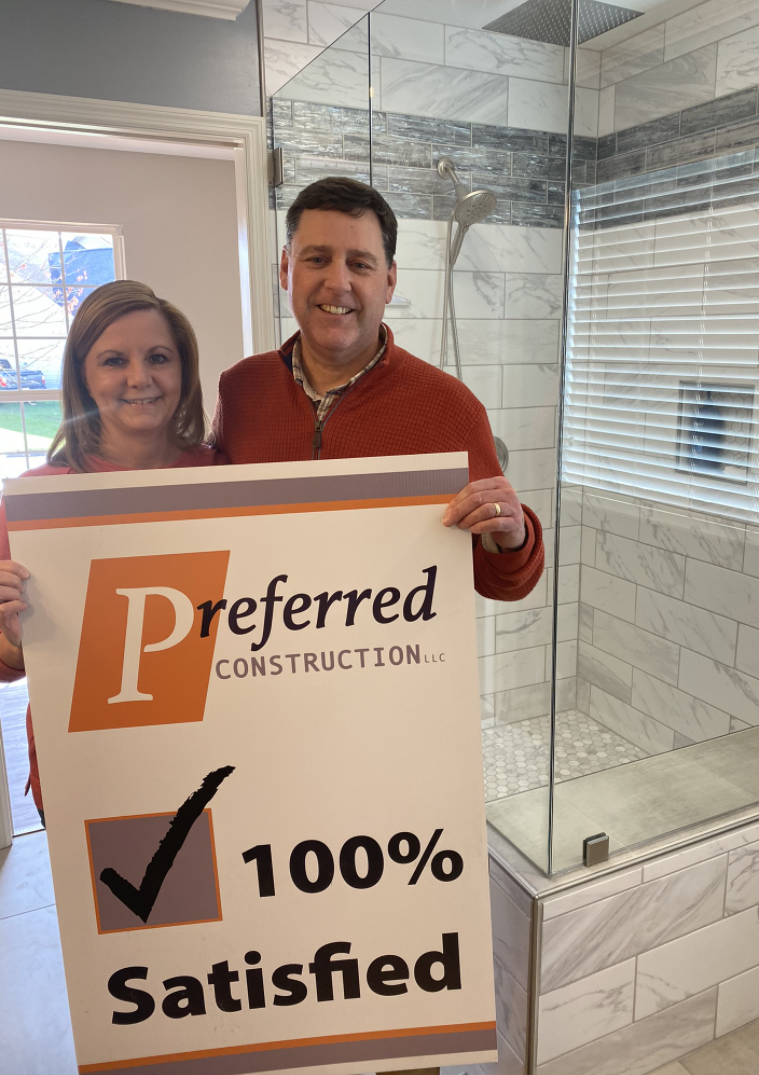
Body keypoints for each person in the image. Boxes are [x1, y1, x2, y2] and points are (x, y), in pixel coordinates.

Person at [214, 177, 544, 601]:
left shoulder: (451, 409)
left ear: (388, 281)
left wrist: (512, 533)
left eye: (360, 264)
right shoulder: (239, 390)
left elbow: (504, 583)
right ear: (285, 269)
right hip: (266, 634)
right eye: (317, 259)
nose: (338, 282)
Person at [0, 280, 220, 820]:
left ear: (184, 370)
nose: (139, 378)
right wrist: (12, 633)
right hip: (88, 769)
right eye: (114, 360)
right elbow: (11, 665)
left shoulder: (226, 478)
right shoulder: (34, 501)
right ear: (83, 377)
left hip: (212, 754)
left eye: (159, 357)